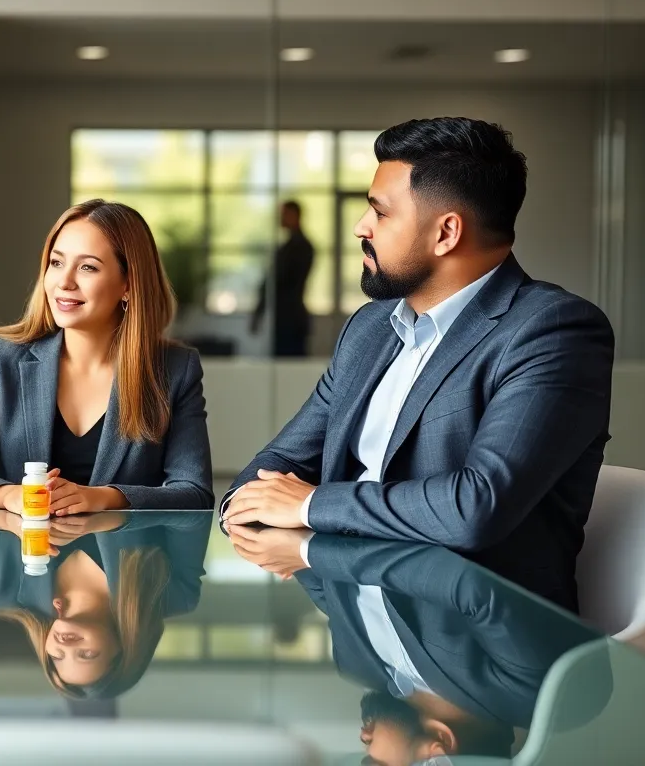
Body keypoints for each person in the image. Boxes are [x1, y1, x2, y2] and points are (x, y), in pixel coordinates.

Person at [219, 117, 615, 612]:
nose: (361, 227)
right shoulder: (370, 328)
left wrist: (308, 504)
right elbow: (272, 469)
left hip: (483, 650)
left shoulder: (553, 330)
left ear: (446, 232)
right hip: (363, 620)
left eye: (380, 213)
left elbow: (475, 508)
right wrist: (250, 505)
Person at [0, 199, 214, 514]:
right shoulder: (1, 356)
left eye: (87, 267)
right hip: (28, 556)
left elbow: (194, 492)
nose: (64, 282)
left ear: (128, 284)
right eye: (57, 262)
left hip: (124, 560)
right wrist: (9, 496)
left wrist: (101, 497)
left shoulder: (175, 369)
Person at [233, 529, 609, 764]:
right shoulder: (527, 689)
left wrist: (288, 545)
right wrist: (309, 551)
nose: (363, 741)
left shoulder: (359, 666)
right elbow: (467, 585)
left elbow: (327, 587)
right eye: (374, 764)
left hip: (338, 487)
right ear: (438, 751)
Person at [0, 509, 209, 697]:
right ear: (123, 646)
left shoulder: (2, 596)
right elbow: (194, 516)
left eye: (57, 657)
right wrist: (107, 510)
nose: (66, 647)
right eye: (86, 654)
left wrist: (9, 518)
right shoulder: (172, 595)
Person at [251, 200, 316, 357]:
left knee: (288, 364)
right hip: (288, 316)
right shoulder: (295, 247)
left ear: (294, 216)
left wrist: (259, 310)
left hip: (289, 318)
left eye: (284, 214)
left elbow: (278, 280)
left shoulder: (298, 248)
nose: (281, 219)